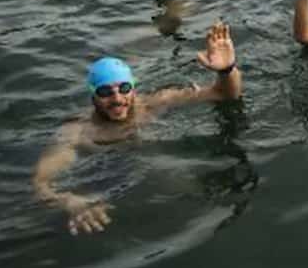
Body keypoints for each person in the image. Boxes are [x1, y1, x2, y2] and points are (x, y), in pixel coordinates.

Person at [32, 21, 243, 235]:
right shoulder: (76, 131)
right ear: (93, 95)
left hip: (147, 163)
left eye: (124, 88)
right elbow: (41, 184)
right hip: (102, 174)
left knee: (189, 189)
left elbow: (223, 94)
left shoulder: (154, 103)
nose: (117, 99)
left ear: (133, 89)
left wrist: (227, 71)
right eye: (105, 92)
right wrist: (70, 201)